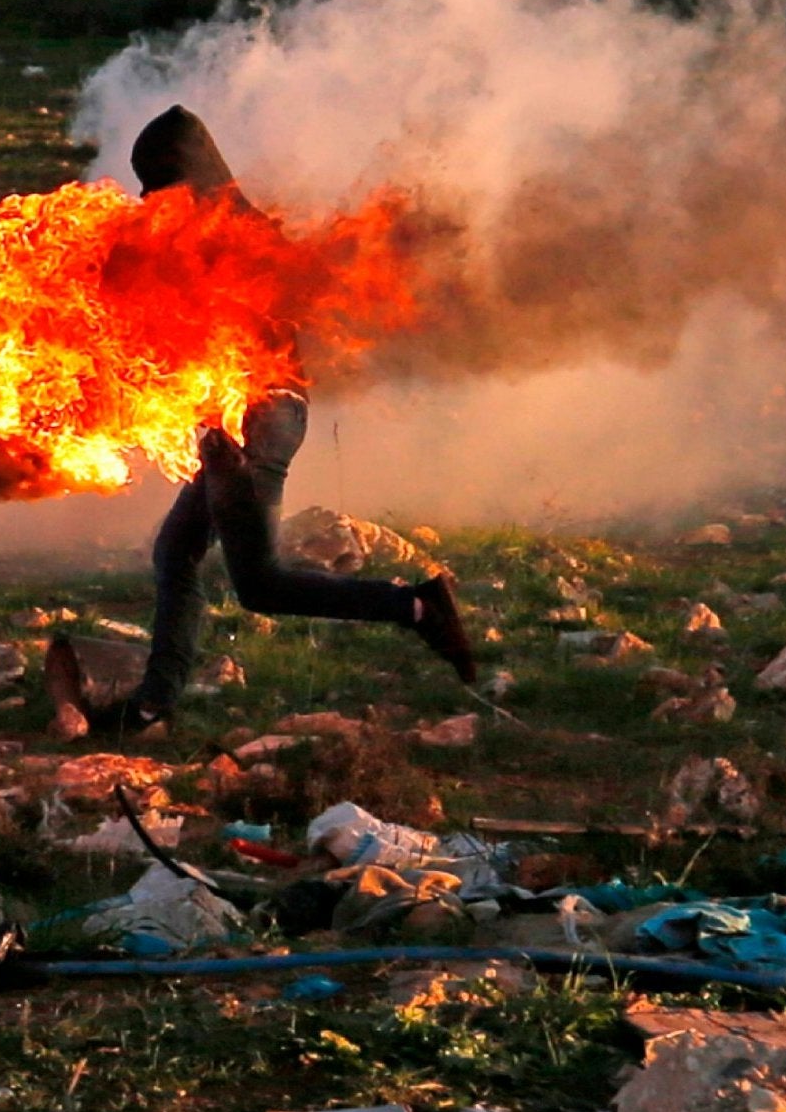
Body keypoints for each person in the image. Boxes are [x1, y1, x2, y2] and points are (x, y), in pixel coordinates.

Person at [47, 108, 476, 737]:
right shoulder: (212, 229)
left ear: (187, 177)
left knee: (260, 584)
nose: (152, 199)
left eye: (160, 183)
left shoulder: (230, 237)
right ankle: (151, 705)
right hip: (245, 420)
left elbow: (208, 325)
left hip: (259, 418)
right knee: (178, 550)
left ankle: (414, 606)